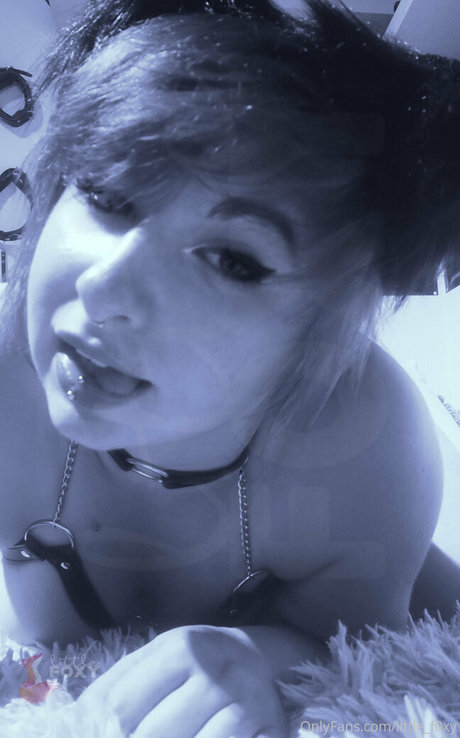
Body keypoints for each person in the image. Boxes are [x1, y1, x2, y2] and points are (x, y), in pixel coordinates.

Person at [0, 0, 458, 734]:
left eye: (232, 260)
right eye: (105, 193)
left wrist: (264, 656)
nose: (104, 290)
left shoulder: (372, 448)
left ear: (327, 327)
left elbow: (361, 644)